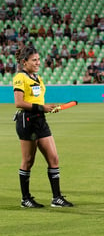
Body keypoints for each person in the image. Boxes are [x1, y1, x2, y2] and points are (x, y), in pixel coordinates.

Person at [13, 46, 73, 208]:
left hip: (40, 120)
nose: (38, 62)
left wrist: (47, 108)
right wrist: (42, 107)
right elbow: (18, 102)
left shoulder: (37, 77)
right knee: (28, 160)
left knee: (53, 158)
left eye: (39, 60)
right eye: (34, 60)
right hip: (27, 120)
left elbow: (38, 99)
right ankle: (25, 199)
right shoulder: (20, 77)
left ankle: (57, 198)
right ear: (24, 62)